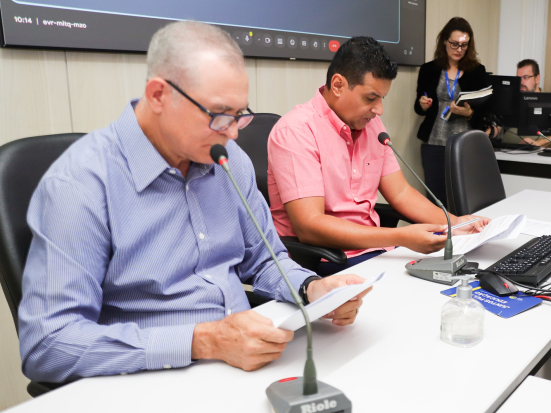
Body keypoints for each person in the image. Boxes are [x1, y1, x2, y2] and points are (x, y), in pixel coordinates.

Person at [18, 21, 370, 384]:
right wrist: (202, 342)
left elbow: (265, 261)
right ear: (158, 96)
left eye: (240, 115)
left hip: (250, 361)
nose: (232, 133)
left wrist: (311, 288)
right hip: (151, 379)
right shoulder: (81, 184)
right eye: (219, 116)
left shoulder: (228, 159)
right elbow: (48, 344)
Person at [267, 37, 490, 276]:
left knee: (461, 277)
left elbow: (401, 193)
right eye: (370, 98)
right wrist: (401, 237)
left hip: (373, 251)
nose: (379, 110)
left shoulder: (372, 126)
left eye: (382, 98)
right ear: (339, 85)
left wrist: (455, 223)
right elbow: (310, 227)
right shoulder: (296, 131)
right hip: (320, 260)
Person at [414, 17, 489, 204]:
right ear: (445, 41)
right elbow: (418, 105)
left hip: (465, 144)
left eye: (464, 45)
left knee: (464, 198)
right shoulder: (429, 69)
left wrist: (469, 113)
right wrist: (422, 104)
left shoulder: (478, 71)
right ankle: (437, 233)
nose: (459, 50)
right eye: (454, 44)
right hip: (434, 143)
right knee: (436, 199)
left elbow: (486, 108)